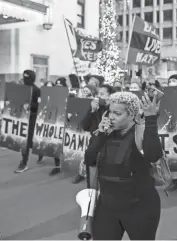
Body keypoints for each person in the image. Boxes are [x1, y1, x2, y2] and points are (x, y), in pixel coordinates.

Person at [84, 91, 163, 240]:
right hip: (107, 205)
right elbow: (89, 160)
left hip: (140, 206)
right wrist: (101, 135)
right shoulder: (103, 133)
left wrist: (151, 119)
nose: (111, 117)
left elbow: (154, 155)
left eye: (117, 113)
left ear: (132, 114)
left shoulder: (141, 132)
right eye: (110, 112)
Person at [72, 84, 116, 184]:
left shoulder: (115, 110)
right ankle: (85, 177)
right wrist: (91, 111)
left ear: (110, 96)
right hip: (95, 143)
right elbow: (84, 126)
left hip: (109, 145)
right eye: (98, 94)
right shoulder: (95, 108)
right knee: (90, 163)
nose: (99, 96)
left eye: (102, 94)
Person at [37, 78, 67, 176]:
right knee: (55, 143)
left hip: (65, 122)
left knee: (64, 145)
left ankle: (67, 163)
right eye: (56, 85)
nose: (58, 87)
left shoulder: (69, 94)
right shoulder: (52, 95)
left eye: (60, 85)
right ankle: (57, 166)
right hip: (54, 121)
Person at [15, 70, 41, 173]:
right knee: (24, 140)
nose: (25, 79)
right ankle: (24, 162)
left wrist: (30, 106)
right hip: (21, 117)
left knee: (30, 140)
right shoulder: (20, 89)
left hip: (32, 118)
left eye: (28, 77)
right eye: (24, 76)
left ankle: (40, 152)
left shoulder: (36, 90)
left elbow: (40, 105)